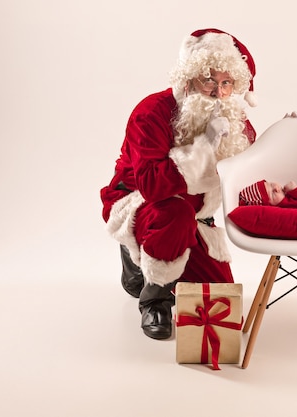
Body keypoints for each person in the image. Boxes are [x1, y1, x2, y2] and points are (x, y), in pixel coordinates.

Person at [100, 28, 258, 340]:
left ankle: (147, 265)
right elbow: (152, 187)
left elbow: (250, 174)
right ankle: (155, 297)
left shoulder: (233, 118)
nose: (217, 91)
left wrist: (287, 135)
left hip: (196, 218)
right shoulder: (151, 112)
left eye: (226, 83)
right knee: (174, 212)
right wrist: (204, 146)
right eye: (209, 80)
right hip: (143, 205)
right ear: (189, 79)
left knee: (220, 302)